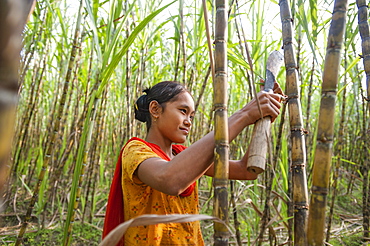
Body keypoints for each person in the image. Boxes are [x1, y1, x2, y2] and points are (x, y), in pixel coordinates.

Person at [103, 81, 283, 245]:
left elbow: (246, 171)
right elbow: (171, 180)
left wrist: (263, 118)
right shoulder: (135, 151)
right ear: (155, 109)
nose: (188, 122)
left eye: (192, 116)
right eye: (183, 111)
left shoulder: (181, 155)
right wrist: (244, 115)